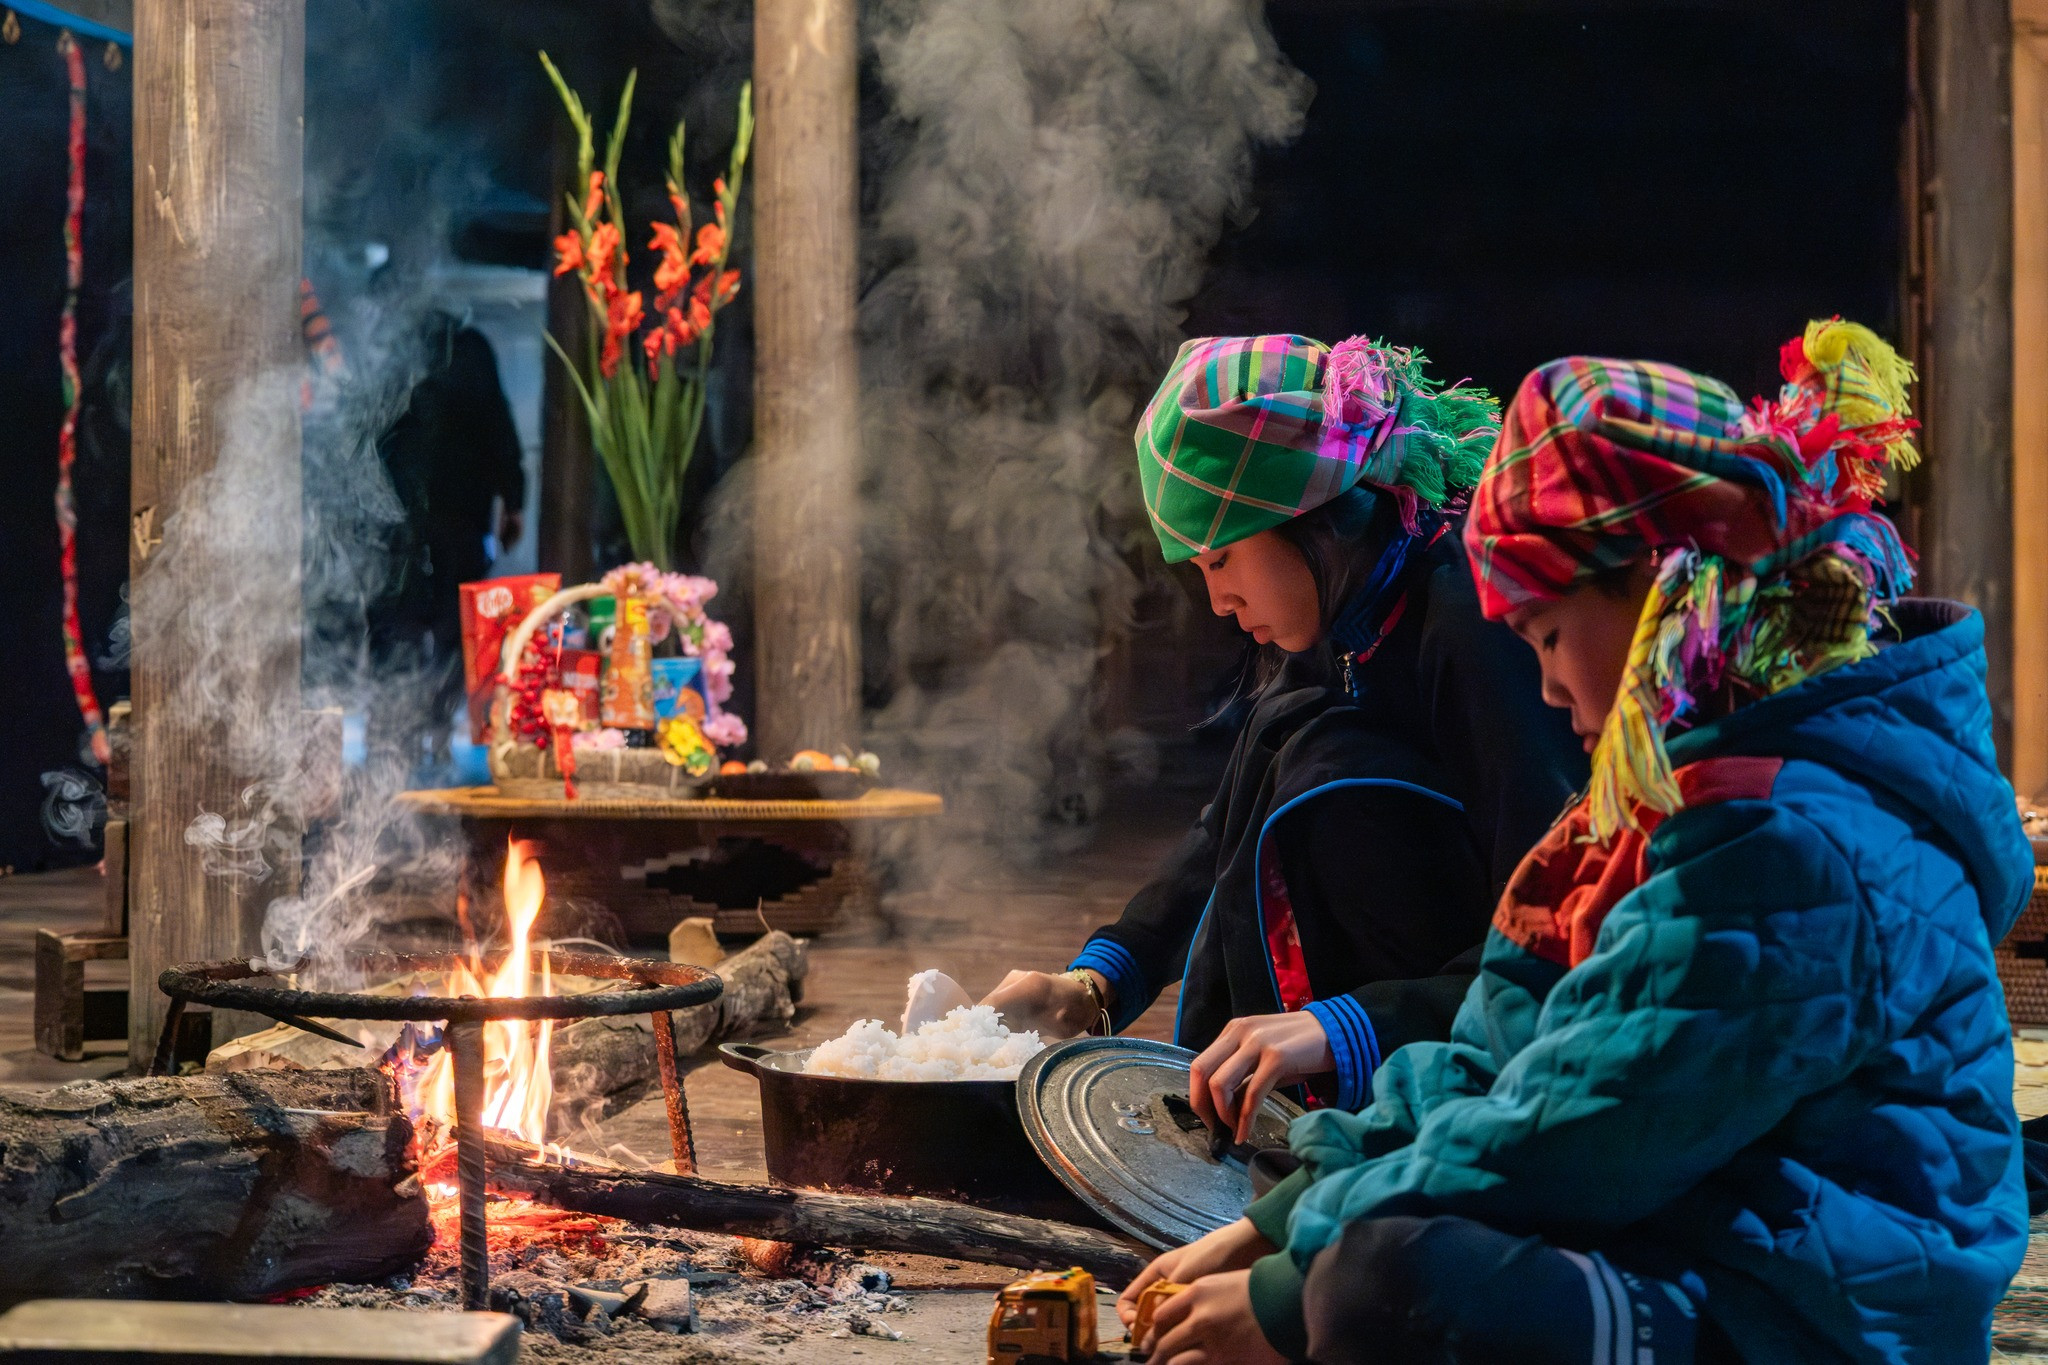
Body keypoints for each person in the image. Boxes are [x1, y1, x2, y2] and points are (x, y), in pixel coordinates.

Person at [1124, 321, 2033, 1365]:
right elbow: (1502, 1042)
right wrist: (1278, 1220)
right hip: (1703, 1219)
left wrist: (1285, 1295)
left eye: (1549, 638)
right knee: (1357, 1246)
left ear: (1660, 586)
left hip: (1820, 1301)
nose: (1549, 688)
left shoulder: (1784, 839)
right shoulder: (1659, 784)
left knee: (1382, 1286)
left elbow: (1585, 1126)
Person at [983, 333, 1586, 1135]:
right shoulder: (1350, 610)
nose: (1219, 600)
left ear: (1310, 518)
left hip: (1474, 1051)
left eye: (1223, 558)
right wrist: (1099, 981)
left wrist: (1352, 1027)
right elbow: (1221, 827)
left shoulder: (1474, 632)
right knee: (1289, 739)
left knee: (1332, 772)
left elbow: (1565, 927)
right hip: (1361, 1026)